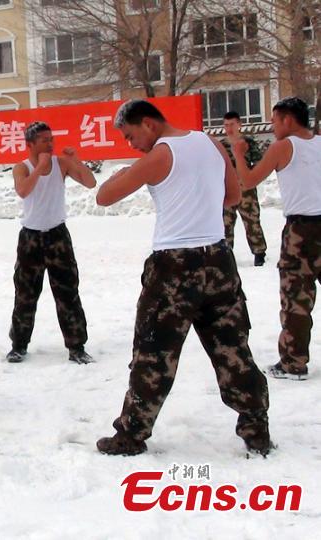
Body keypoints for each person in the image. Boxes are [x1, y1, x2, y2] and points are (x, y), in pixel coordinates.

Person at [94, 100, 271, 457]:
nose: (132, 145)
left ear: (148, 123)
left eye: (131, 136)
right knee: (233, 350)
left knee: (154, 353)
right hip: (218, 261)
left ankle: (131, 434)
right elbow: (234, 195)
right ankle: (256, 430)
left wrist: (123, 173)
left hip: (173, 267)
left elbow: (104, 196)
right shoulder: (210, 142)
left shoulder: (159, 155)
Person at [231, 96, 321, 381]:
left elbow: (248, 181)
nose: (272, 126)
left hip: (301, 230)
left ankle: (294, 361)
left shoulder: (284, 146)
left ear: (287, 119)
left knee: (297, 296)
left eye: (274, 120)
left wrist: (239, 151)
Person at [7, 122, 96, 364]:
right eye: (44, 140)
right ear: (30, 144)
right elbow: (23, 191)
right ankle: (19, 344)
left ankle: (77, 346)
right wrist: (40, 169)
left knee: (67, 292)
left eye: (51, 138)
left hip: (57, 235)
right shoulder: (21, 168)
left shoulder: (61, 163)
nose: (50, 143)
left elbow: (90, 183)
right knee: (25, 294)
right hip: (30, 237)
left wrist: (75, 160)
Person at [221, 111, 267, 266]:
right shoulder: (221, 145)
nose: (229, 128)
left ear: (239, 125)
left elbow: (260, 163)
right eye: (226, 125)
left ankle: (259, 252)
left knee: (252, 222)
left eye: (232, 125)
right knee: (225, 224)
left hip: (246, 190)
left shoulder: (248, 142)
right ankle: (226, 253)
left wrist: (251, 177)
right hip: (227, 190)